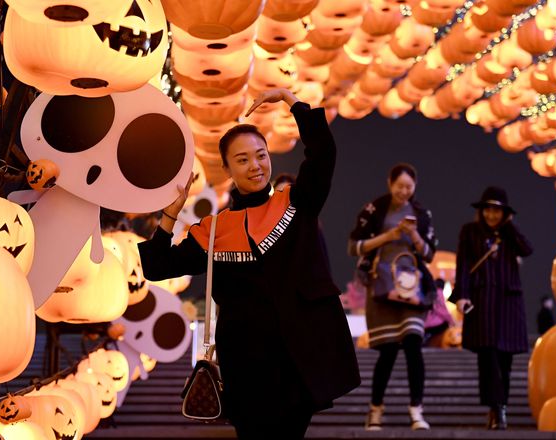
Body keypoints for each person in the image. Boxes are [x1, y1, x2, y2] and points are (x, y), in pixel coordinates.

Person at [138, 88, 361, 439]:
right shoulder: (213, 230)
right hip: (245, 363)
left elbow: (323, 152)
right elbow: (157, 266)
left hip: (298, 360)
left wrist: (290, 99)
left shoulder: (297, 203)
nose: (255, 166)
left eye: (260, 155)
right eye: (242, 160)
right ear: (226, 168)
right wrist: (170, 214)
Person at [348, 163, 436, 431]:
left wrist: (413, 235)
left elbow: (429, 254)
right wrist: (390, 235)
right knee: (386, 352)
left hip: (412, 289)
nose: (404, 192)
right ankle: (375, 410)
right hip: (382, 288)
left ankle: (416, 410)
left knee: (413, 344)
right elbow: (354, 247)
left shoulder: (422, 213)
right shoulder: (374, 208)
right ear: (390, 183)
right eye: (400, 186)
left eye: (409, 187)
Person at [449, 186, 533, 430]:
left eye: (497, 211)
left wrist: (508, 227)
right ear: (481, 210)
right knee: (488, 358)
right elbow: (463, 265)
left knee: (505, 362)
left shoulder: (509, 234)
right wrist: (462, 295)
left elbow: (528, 249)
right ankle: (497, 407)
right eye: (488, 209)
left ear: (504, 213)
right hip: (482, 302)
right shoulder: (470, 232)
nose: (491, 215)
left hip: (508, 305)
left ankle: (499, 407)